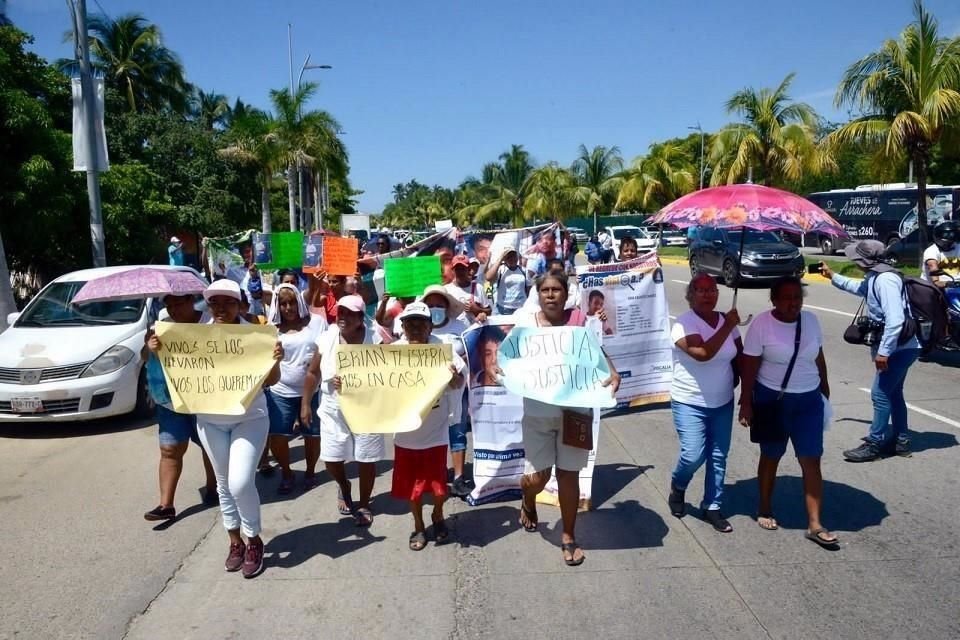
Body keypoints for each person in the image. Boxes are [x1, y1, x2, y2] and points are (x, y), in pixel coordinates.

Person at [512, 272, 620, 566]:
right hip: (538, 414)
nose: (550, 295)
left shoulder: (579, 323)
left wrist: (611, 370)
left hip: (575, 412)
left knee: (568, 476)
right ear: (538, 294)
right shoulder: (525, 325)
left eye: (556, 290)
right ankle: (529, 499)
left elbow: (595, 352)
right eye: (545, 290)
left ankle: (568, 535)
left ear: (565, 293)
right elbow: (507, 358)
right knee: (538, 478)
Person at [191, 279, 282, 578]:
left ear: (240, 304)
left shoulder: (255, 334)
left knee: (241, 482)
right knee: (222, 484)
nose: (220, 308)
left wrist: (274, 360)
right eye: (214, 302)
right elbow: (177, 369)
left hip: (249, 418)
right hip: (210, 420)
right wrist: (156, 349)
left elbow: (271, 382)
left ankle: (254, 539)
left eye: (228, 302)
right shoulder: (194, 336)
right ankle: (234, 542)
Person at [738, 277, 837, 548]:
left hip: (809, 401)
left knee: (812, 460)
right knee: (771, 455)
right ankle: (765, 508)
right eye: (786, 297)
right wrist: (746, 402)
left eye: (797, 297)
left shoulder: (812, 321)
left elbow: (818, 355)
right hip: (773, 400)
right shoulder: (762, 324)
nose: (793, 303)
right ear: (774, 300)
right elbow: (749, 365)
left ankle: (815, 523)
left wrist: (824, 387)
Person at [821, 240, 922, 461]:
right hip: (903, 346)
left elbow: (895, 320)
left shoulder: (885, 280)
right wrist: (832, 276)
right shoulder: (875, 277)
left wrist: (884, 352)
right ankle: (901, 441)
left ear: (864, 260)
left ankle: (874, 444)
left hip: (900, 348)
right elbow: (859, 288)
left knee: (880, 393)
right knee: (893, 393)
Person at [667, 274, 742, 533]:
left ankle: (712, 506)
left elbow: (740, 356)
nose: (707, 294)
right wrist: (728, 325)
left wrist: (747, 394)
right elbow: (703, 354)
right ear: (691, 295)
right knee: (693, 454)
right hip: (689, 401)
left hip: (723, 401)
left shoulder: (727, 321)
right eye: (700, 290)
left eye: (712, 290)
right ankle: (679, 486)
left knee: (719, 456)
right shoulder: (682, 324)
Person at [390, 302, 467, 551]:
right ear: (402, 326)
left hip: (435, 433)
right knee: (412, 490)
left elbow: (460, 382)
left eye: (420, 323)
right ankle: (419, 525)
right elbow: (372, 385)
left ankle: (438, 514)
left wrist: (455, 377)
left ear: (429, 326)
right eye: (409, 323)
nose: (415, 328)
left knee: (437, 489)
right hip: (405, 435)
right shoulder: (392, 352)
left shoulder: (442, 350)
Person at [302, 295, 384, 527]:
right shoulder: (327, 338)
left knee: (366, 457)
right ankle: (344, 484)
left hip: (366, 407)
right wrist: (306, 403)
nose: (343, 318)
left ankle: (365, 503)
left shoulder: (375, 339)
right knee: (330, 457)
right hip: (332, 406)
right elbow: (312, 372)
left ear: (360, 318)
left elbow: (387, 373)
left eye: (350, 314)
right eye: (340, 313)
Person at [142, 293, 217, 521]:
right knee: (170, 449)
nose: (173, 309)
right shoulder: (161, 328)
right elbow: (144, 357)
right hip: (170, 400)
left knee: (209, 446)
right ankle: (166, 505)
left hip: (207, 398)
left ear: (191, 301)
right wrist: (149, 347)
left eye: (178, 303)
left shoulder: (211, 323)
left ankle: (213, 489)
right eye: (169, 305)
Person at [265, 284, 327, 494]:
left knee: (312, 435)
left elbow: (328, 350)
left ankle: (310, 471)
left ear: (299, 302)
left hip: (313, 391)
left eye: (292, 302)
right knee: (277, 436)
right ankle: (286, 472)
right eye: (283, 303)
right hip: (280, 391)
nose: (288, 307)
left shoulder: (317, 323)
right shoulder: (270, 331)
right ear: (277, 306)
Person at [420, 285, 472, 497]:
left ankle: (459, 477)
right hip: (429, 393)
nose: (435, 309)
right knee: (433, 432)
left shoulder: (460, 327)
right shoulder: (420, 328)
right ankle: (437, 474)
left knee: (457, 430)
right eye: (430, 305)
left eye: (439, 305)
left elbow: (472, 351)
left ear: (446, 306)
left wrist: (460, 365)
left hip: (457, 388)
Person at [446, 255, 490, 323]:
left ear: (468, 269)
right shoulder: (446, 290)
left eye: (463, 268)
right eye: (457, 269)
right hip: (453, 332)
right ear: (453, 270)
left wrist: (477, 309)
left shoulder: (478, 288)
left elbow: (489, 311)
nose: (460, 272)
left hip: (475, 330)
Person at [485, 247, 528, 315]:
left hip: (521, 309)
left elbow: (528, 288)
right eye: (509, 257)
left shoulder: (524, 270)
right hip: (503, 309)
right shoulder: (501, 269)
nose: (512, 259)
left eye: (514, 256)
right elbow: (488, 277)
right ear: (505, 259)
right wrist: (500, 259)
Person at [922, 220, 960, 286]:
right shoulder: (931, 251)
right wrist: (947, 284)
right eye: (945, 242)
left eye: (950, 241)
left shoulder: (958, 247)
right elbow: (936, 281)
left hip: (956, 285)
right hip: (932, 288)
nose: (948, 244)